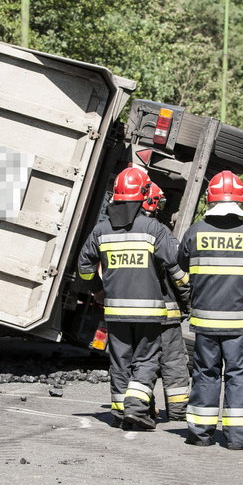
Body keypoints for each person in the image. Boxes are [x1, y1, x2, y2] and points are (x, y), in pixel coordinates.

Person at [77, 167, 186, 430]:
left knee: (120, 362)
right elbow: (176, 266)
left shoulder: (101, 231)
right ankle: (136, 410)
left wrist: (98, 290)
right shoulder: (154, 229)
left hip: (115, 312)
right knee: (146, 360)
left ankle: (118, 412)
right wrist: (190, 299)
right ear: (144, 194)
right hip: (149, 313)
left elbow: (83, 267)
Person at [178, 170, 243, 450]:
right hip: (238, 322)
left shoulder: (196, 230)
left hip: (205, 320)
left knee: (205, 373)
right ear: (240, 200)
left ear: (210, 199)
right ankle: (238, 437)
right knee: (238, 375)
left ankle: (200, 433)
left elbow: (181, 262)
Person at [142, 183, 191, 421]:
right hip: (164, 312)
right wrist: (188, 302)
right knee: (172, 363)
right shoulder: (159, 231)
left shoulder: (111, 231)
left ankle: (141, 407)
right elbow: (177, 271)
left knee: (141, 363)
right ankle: (178, 411)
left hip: (130, 315)